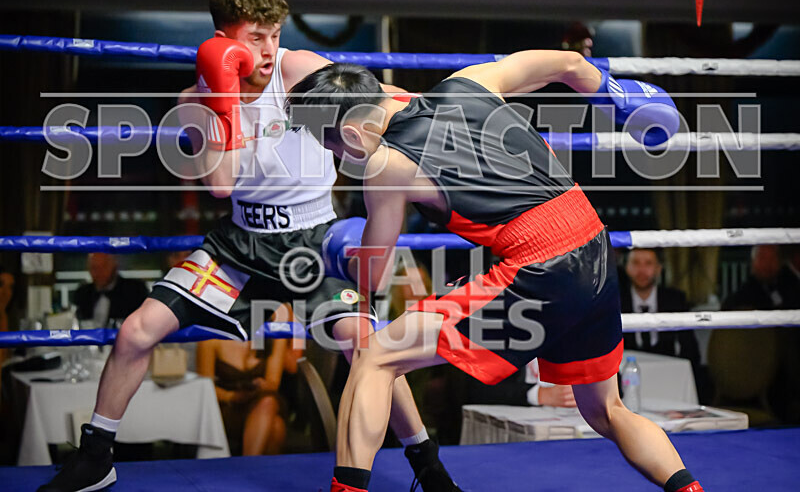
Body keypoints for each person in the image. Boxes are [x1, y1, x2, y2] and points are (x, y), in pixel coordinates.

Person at [38, 0, 455, 492]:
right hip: (239, 242)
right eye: (255, 37)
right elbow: (220, 184)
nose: (267, 49)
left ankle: (427, 466)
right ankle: (95, 457)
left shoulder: (297, 70)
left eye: (274, 34)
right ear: (224, 38)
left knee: (367, 347)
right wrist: (224, 99)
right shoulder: (195, 96)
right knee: (136, 331)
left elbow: (371, 95)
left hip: (314, 239)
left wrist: (432, 112)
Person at [287, 53, 703, 492]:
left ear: (352, 133)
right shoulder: (471, 81)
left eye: (334, 147)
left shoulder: (386, 166)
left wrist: (341, 252)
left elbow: (372, 277)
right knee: (607, 411)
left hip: (540, 270)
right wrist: (612, 93)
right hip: (595, 252)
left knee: (375, 357)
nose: (341, 159)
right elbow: (567, 62)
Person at [197, 307, 297, 456]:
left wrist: (259, 386)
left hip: (261, 399)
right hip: (226, 405)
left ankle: (246, 469)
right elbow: (204, 386)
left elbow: (273, 383)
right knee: (276, 427)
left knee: (268, 403)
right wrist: (232, 397)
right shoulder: (212, 336)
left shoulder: (273, 334)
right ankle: (252, 472)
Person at [621, 249, 700, 367]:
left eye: (648, 263)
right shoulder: (615, 301)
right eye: (636, 263)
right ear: (626, 267)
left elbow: (690, 349)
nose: (642, 270)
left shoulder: (675, 300)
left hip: (667, 372)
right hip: (626, 374)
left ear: (658, 268)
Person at [73, 254, 148, 328]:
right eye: (94, 268)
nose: (99, 272)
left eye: (104, 266)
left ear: (114, 266)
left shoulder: (135, 290)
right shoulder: (82, 293)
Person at [723, 245, 784, 310]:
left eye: (772, 258)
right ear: (753, 262)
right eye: (763, 258)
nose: (768, 264)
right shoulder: (743, 298)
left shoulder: (786, 288)